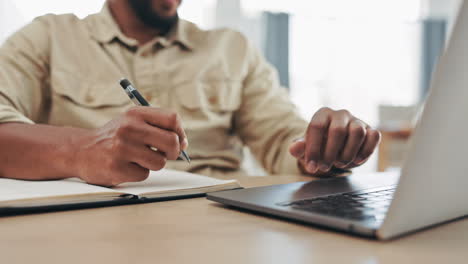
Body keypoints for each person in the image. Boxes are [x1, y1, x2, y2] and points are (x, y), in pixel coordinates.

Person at [0, 0, 381, 186]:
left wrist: (323, 148)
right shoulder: (49, 38)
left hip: (223, 221)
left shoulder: (232, 48)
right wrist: (81, 150)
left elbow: (281, 137)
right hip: (94, 222)